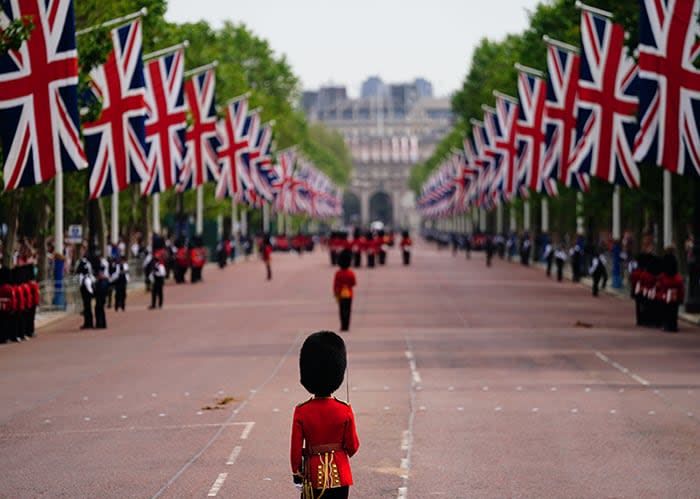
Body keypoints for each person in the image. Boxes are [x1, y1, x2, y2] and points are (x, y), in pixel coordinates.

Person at [290, 331, 360, 499]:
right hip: (341, 475)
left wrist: (297, 474)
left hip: (312, 475)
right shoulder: (344, 409)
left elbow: (295, 451)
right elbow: (353, 446)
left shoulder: (302, 411)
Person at [657, 249, 684, 333]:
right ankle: (673, 326)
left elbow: (659, 286)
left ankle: (666, 325)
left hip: (665, 295)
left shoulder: (662, 276)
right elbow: (681, 287)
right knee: (673, 311)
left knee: (665, 310)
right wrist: (681, 298)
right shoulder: (677, 277)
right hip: (674, 296)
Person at [333, 249, 356, 332]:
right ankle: (347, 325)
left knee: (342, 310)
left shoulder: (338, 273)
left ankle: (343, 325)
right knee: (348, 310)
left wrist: (335, 292)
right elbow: (354, 283)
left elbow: (335, 284)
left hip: (340, 293)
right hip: (349, 293)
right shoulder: (351, 273)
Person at [76, 250, 94, 330]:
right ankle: (88, 322)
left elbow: (78, 271)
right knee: (87, 306)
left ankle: (88, 323)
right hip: (87, 283)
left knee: (87, 306)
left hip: (85, 285)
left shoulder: (83, 263)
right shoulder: (88, 263)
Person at [94, 253, 110, 329]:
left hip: (101, 295)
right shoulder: (101, 281)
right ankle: (100, 323)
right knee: (99, 308)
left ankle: (100, 324)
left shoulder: (103, 281)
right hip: (101, 295)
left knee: (99, 308)